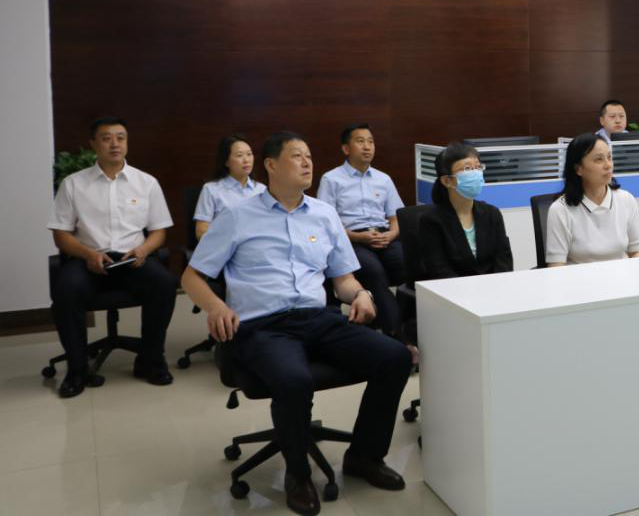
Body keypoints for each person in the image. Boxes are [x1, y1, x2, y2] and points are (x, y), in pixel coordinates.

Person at [184, 131, 411, 516]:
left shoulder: (324, 214)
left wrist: (359, 294)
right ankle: (298, 475)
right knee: (293, 379)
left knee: (395, 357)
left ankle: (364, 456)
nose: (307, 162)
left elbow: (342, 278)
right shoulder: (237, 216)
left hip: (317, 318)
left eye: (309, 155)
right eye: (296, 156)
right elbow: (191, 277)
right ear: (271, 165)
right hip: (262, 325)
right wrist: (216, 306)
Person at [47, 116, 177, 398]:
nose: (115, 144)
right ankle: (77, 370)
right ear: (94, 144)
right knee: (66, 290)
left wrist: (144, 249)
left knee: (165, 284)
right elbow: (61, 235)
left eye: (120, 137)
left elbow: (159, 231)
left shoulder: (146, 183)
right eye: (106, 138)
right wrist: (87, 254)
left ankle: (150, 361)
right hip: (87, 260)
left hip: (132, 260)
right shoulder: (73, 184)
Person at [316, 124, 405, 336]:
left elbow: (396, 217)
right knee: (373, 271)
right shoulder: (331, 179)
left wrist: (391, 234)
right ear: (346, 149)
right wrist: (359, 237)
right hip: (351, 239)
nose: (367, 146)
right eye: (360, 141)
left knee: (408, 263)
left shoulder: (383, 179)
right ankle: (395, 332)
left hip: (384, 236)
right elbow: (327, 223)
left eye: (371, 141)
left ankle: (406, 322)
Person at [546, 132, 639, 265]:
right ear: (578, 169)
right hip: (580, 278)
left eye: (609, 157)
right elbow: (556, 266)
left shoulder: (626, 199)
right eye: (599, 159)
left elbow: (637, 252)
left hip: (622, 276)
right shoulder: (560, 210)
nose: (608, 165)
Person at [417, 142, 513, 280]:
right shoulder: (431, 220)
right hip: (451, 290)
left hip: (492, 288)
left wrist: (496, 286)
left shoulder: (492, 214)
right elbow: (439, 270)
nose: (475, 173)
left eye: (478, 167)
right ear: (447, 181)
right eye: (467, 168)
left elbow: (504, 261)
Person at [193, 134, 266, 239]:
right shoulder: (211, 189)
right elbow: (201, 231)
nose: (246, 160)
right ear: (226, 161)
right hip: (225, 246)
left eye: (249, 154)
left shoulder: (262, 190)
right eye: (239, 155)